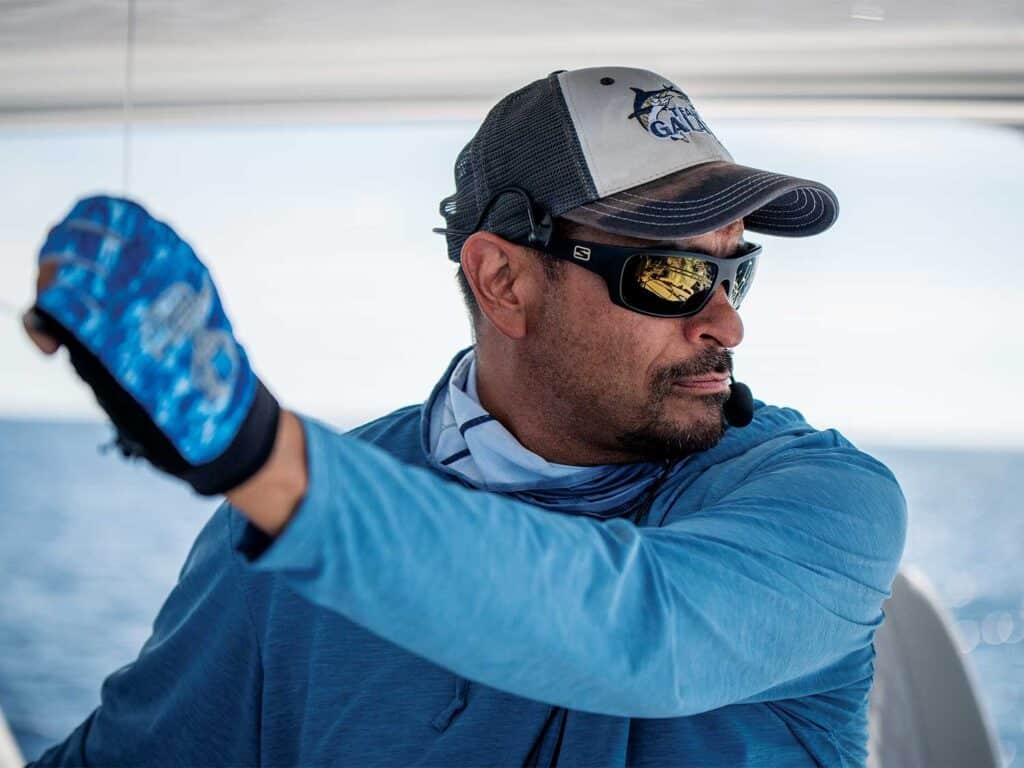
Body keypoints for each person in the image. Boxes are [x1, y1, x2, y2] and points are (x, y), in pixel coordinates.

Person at [24, 66, 906, 766]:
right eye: (672, 274)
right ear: (504, 281)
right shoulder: (272, 524)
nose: (727, 321)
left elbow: (641, 629)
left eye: (735, 270)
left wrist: (261, 455)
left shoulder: (824, 502)